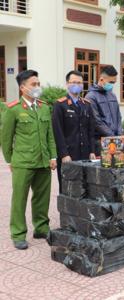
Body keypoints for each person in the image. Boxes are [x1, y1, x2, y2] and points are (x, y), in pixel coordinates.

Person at [1, 70, 57, 250]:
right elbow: (5, 138)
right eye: (34, 84)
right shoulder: (13, 109)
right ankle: (18, 233)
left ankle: (41, 228)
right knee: (19, 199)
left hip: (43, 161)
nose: (37, 87)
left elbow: (50, 136)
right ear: (22, 87)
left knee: (42, 197)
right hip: (23, 162)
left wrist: (53, 156)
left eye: (38, 84)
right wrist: (10, 161)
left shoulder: (44, 107)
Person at [52, 70, 96, 193]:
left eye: (80, 82)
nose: (77, 85)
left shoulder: (86, 104)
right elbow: (58, 132)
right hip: (69, 155)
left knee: (85, 187)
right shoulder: (60, 105)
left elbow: (90, 130)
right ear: (67, 84)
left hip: (85, 154)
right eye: (74, 82)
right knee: (68, 188)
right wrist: (64, 154)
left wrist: (92, 150)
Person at [85, 65, 123, 155]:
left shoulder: (112, 95)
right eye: (111, 82)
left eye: (114, 83)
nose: (112, 85)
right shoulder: (91, 97)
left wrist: (119, 134)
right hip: (101, 142)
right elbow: (96, 121)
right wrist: (112, 136)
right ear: (102, 79)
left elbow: (118, 116)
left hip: (116, 140)